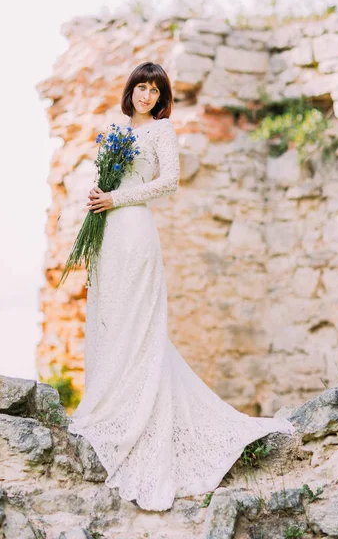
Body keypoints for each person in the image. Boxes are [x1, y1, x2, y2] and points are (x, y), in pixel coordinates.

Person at [68, 61, 295, 512]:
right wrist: (93, 201)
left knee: (138, 326)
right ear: (129, 89)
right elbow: (100, 182)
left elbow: (169, 181)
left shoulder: (161, 132)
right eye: (141, 86)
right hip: (107, 234)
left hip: (134, 230)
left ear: (161, 97)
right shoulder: (112, 128)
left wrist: (116, 198)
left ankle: (138, 419)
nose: (146, 95)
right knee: (108, 320)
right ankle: (107, 404)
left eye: (155, 90)